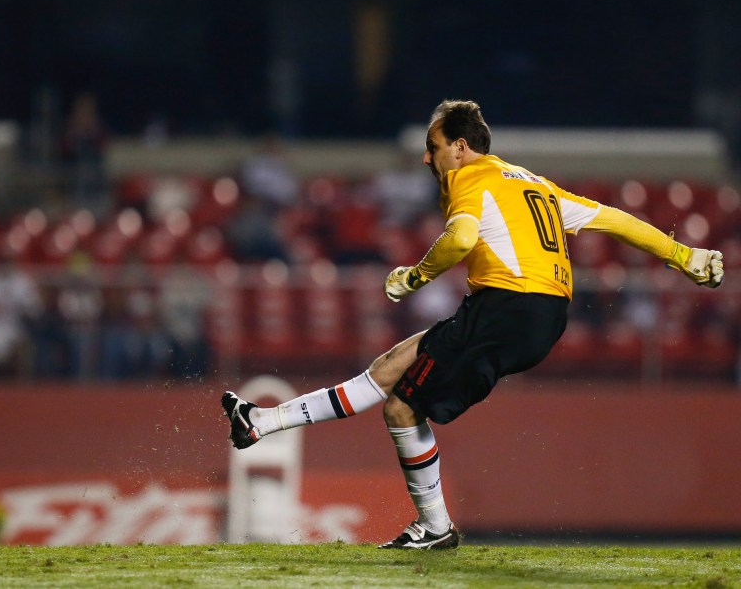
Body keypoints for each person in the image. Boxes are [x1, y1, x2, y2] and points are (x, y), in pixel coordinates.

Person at [221, 100, 725, 550]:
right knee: (391, 366)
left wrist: (415, 276)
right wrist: (685, 255)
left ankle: (435, 526)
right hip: (536, 313)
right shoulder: (531, 182)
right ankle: (261, 421)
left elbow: (461, 239)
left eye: (433, 146)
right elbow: (614, 219)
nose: (426, 158)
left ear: (460, 148)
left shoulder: (470, 179)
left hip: (508, 307)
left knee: (401, 409)